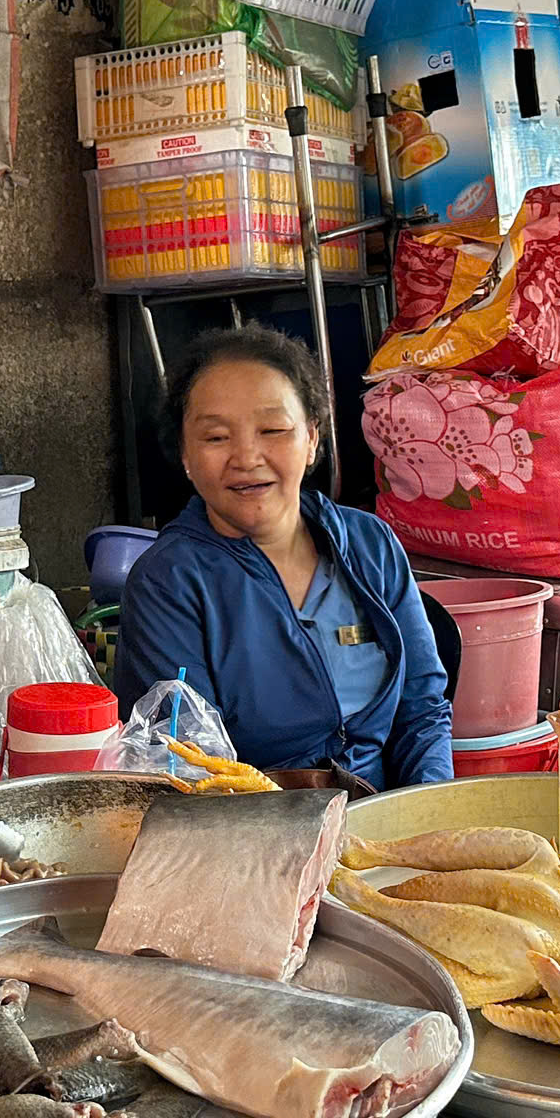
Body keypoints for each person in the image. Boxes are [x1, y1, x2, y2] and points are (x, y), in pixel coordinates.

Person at [115, 328, 453, 790]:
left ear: (312, 438)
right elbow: (186, 762)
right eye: (216, 437)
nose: (246, 457)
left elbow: (423, 709)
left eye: (273, 430)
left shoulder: (370, 543)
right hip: (255, 833)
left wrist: (422, 821)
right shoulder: (167, 581)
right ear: (186, 455)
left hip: (385, 819)